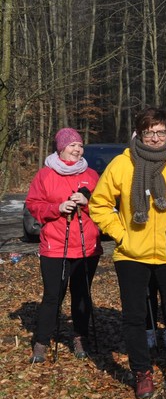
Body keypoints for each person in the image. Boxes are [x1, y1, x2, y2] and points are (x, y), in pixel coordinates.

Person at [89, 107, 166, 399]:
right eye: (149, 132)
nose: (155, 138)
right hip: (131, 255)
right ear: (139, 132)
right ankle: (142, 372)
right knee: (134, 317)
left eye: (160, 131)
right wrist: (121, 234)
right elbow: (98, 204)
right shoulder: (122, 164)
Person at [27, 128, 103, 363]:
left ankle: (80, 337)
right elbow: (33, 204)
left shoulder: (91, 175)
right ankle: (41, 341)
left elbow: (105, 206)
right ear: (61, 148)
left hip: (86, 246)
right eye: (72, 145)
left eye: (80, 145)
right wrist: (56, 208)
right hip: (55, 246)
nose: (77, 149)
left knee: (82, 295)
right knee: (53, 295)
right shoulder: (45, 175)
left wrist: (87, 202)